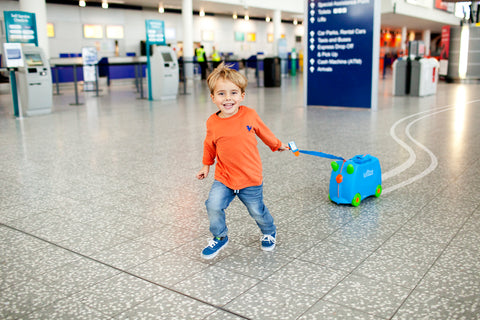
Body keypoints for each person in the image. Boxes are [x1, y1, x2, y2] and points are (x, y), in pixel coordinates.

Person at [196, 62, 289, 259]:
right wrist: (206, 166)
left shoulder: (249, 115)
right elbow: (209, 145)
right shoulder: (212, 122)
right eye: (221, 94)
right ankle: (220, 237)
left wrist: (277, 144)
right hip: (225, 178)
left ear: (242, 96)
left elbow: (264, 132)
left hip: (250, 177)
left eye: (233, 93)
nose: (228, 98)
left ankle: (269, 231)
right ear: (213, 98)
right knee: (212, 205)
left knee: (257, 210)